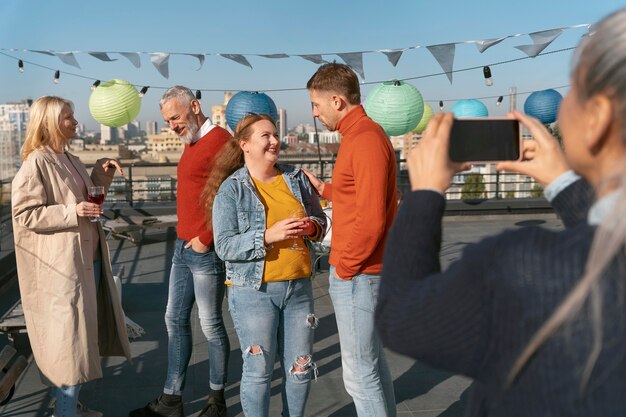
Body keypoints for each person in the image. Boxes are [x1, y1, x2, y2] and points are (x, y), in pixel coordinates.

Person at [376, 7, 626, 416]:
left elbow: (401, 317)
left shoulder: (525, 266)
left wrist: (424, 194)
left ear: (596, 118)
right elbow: (607, 244)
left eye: (574, 92)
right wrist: (562, 181)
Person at [11, 96, 130, 417]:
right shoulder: (36, 162)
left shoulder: (69, 158)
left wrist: (100, 175)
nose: (75, 122)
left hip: (83, 262)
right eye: (68, 117)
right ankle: (65, 412)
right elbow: (24, 214)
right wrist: (72, 211)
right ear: (49, 123)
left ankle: (72, 407)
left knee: (77, 340)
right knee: (69, 345)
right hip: (61, 270)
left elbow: (85, 194)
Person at [209, 114, 326, 417]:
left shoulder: (296, 178)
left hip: (298, 289)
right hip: (253, 293)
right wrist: (267, 236)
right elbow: (224, 247)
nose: (274, 141)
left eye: (275, 134)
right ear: (244, 144)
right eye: (266, 136)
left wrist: (311, 227)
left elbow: (320, 221)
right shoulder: (231, 189)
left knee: (300, 369)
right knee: (259, 372)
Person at [130, 86, 231, 417]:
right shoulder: (192, 140)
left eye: (175, 117)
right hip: (182, 247)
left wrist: (207, 237)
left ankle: (216, 403)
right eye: (166, 120)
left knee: (211, 325)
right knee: (174, 318)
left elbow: (236, 198)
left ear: (195, 106)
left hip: (204, 250)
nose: (171, 125)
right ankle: (171, 400)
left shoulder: (221, 142)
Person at [303, 63, 398, 416]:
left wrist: (345, 268)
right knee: (372, 367)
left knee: (359, 375)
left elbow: (372, 221)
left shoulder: (365, 140)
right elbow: (359, 197)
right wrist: (326, 189)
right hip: (362, 272)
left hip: (359, 273)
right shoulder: (361, 136)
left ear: (337, 100)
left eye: (316, 104)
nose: (314, 113)